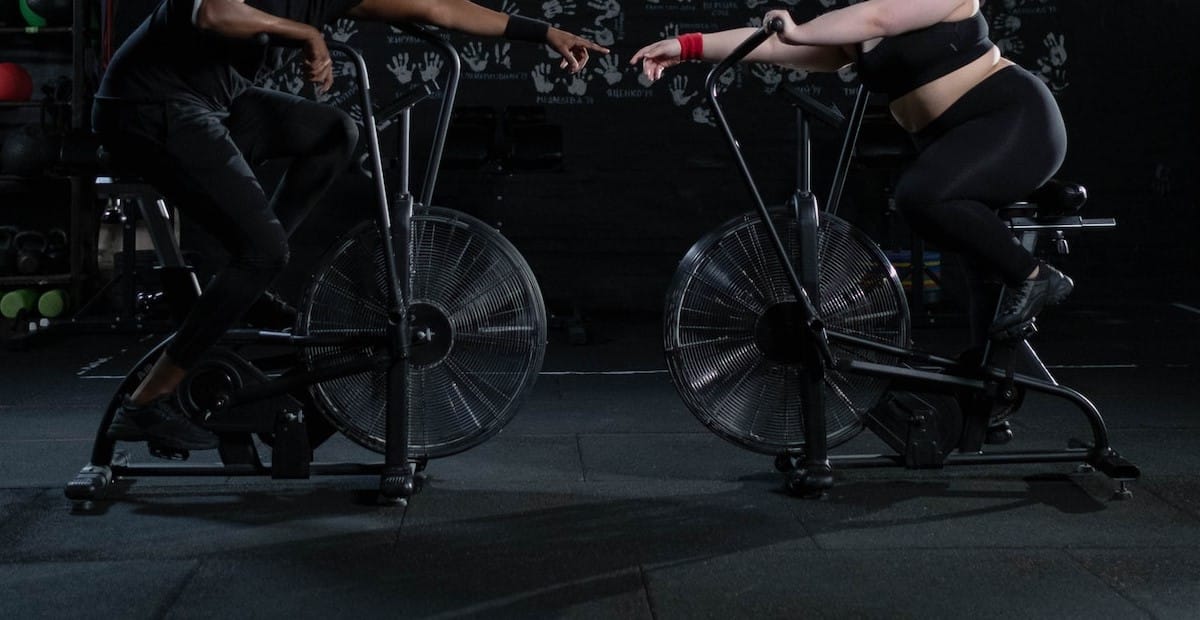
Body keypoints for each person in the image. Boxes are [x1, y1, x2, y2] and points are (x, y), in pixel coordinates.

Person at [95, 0, 609, 451]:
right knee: (263, 252)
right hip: (143, 108)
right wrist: (308, 34)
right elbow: (214, 11)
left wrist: (542, 32)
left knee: (336, 133)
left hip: (210, 106)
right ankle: (147, 403)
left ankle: (250, 275)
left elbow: (438, 8)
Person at [632, 0, 1072, 345]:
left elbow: (880, 17)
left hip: (1015, 122)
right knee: (981, 269)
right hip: (961, 144)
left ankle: (1035, 276)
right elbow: (775, 46)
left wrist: (801, 28)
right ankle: (991, 398)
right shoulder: (857, 30)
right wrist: (688, 46)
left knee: (921, 195)